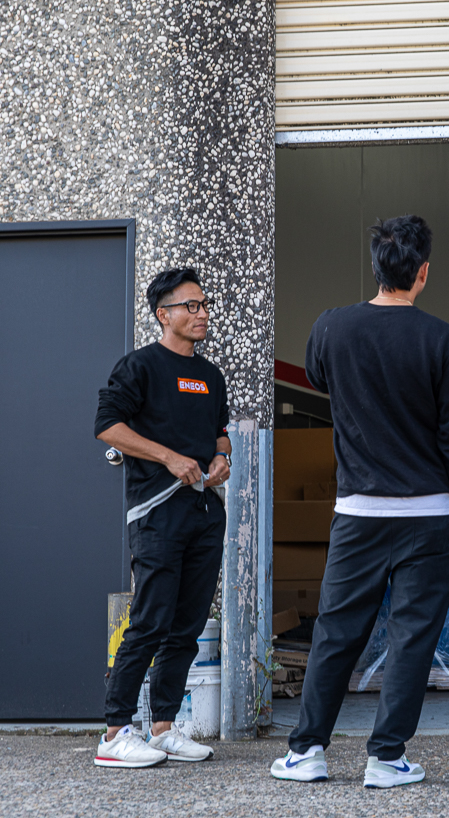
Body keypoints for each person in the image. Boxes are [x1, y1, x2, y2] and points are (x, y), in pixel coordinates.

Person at [270, 214, 449, 789]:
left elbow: (320, 379)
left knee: (336, 633)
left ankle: (307, 752)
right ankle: (386, 759)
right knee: (413, 638)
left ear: (375, 267)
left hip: (358, 512)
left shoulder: (332, 327)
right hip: (429, 514)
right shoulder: (444, 340)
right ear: (423, 272)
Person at [94, 267, 231, 768]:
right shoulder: (140, 367)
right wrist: (168, 457)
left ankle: (164, 729)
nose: (202, 313)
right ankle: (114, 734)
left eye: (204, 304)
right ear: (163, 314)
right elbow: (107, 426)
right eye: (191, 306)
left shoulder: (210, 376)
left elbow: (219, 432)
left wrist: (222, 456)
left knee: (187, 625)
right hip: (156, 513)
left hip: (204, 512)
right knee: (150, 621)